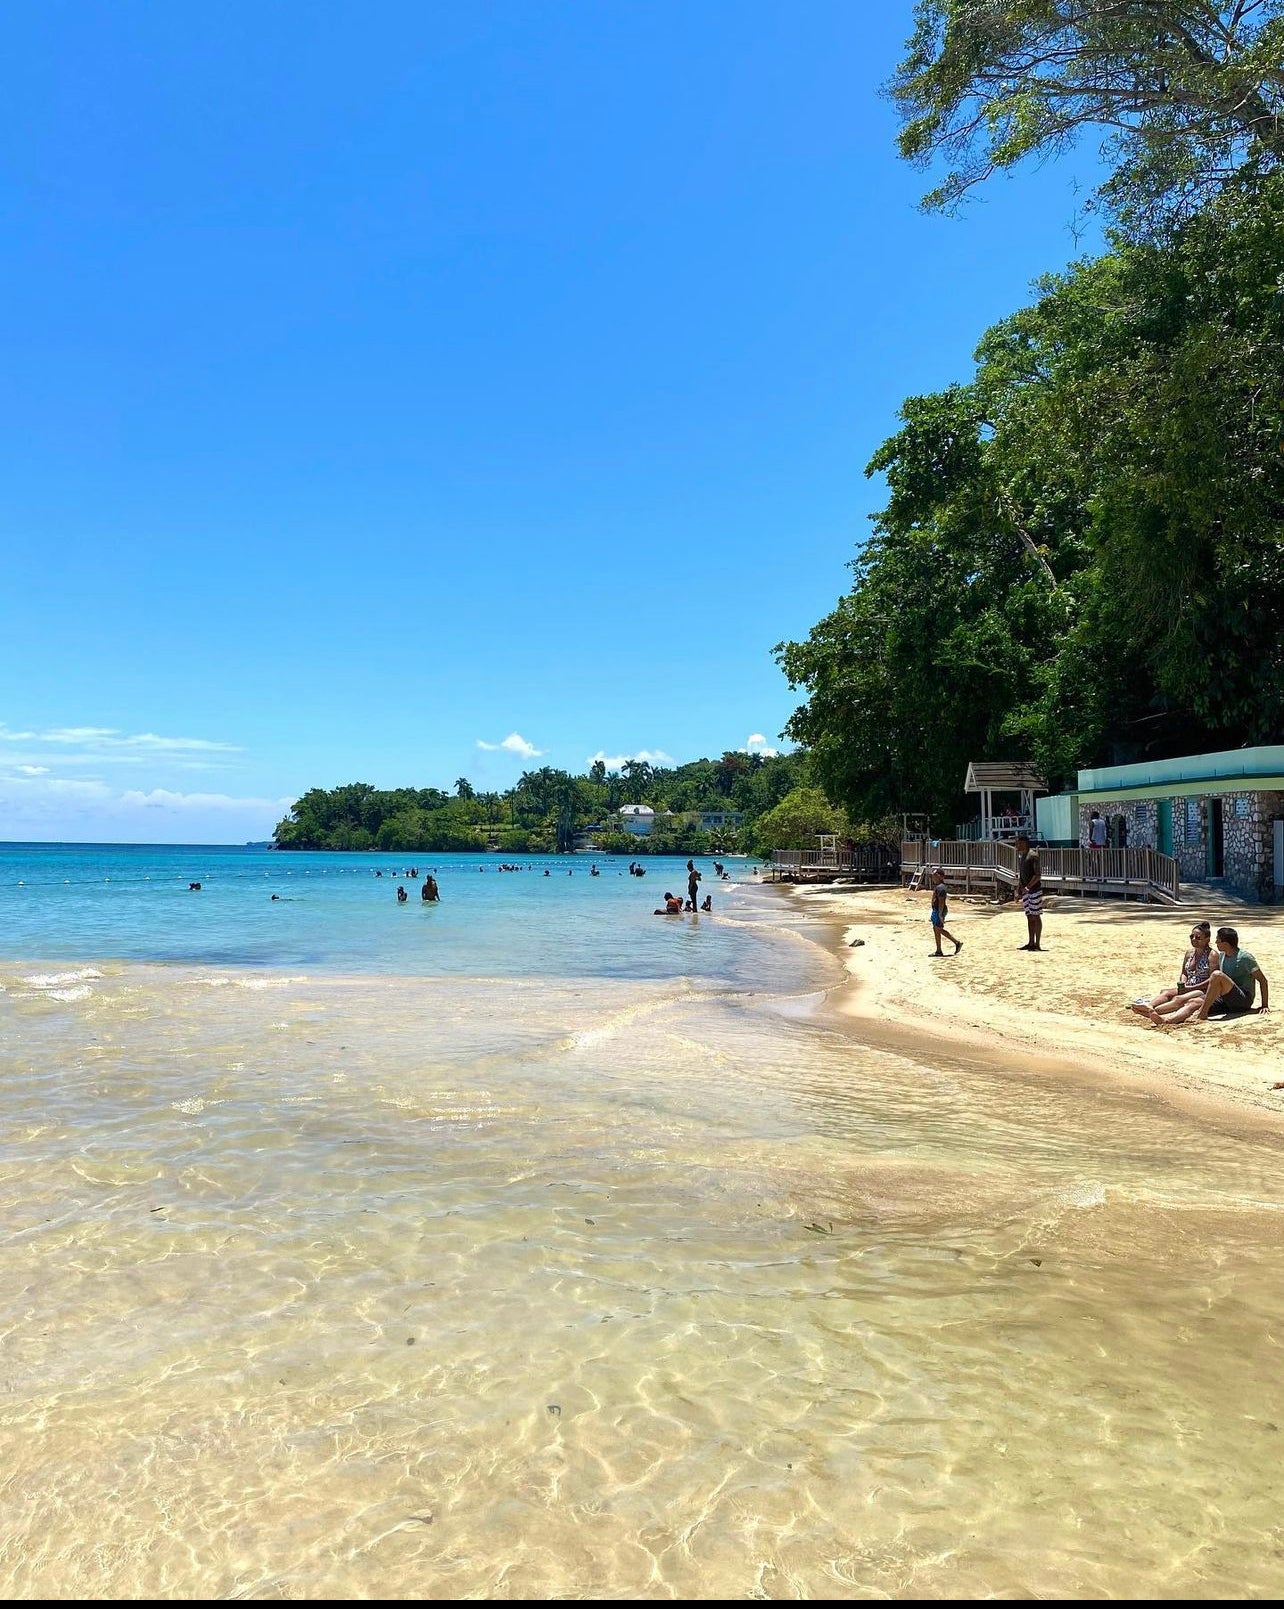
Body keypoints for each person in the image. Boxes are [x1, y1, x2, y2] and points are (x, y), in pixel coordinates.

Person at [1141, 926, 1269, 1026]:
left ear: (1226, 943)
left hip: (1242, 1000)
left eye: (1218, 940)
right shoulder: (1223, 956)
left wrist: (1264, 1005)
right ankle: (1167, 1020)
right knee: (1193, 1002)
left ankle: (1202, 1014)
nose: (1216, 943)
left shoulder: (1245, 958)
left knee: (1217, 974)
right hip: (1225, 998)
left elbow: (1263, 980)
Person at [1129, 921, 1215, 1019]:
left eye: (1198, 938)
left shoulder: (1212, 955)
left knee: (1178, 998)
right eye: (1192, 937)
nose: (1194, 939)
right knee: (1166, 992)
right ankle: (1150, 1006)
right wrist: (1183, 984)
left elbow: (1212, 979)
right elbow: (1184, 972)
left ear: (1207, 939)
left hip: (1201, 989)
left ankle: (1151, 1012)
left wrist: (1192, 987)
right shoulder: (1189, 953)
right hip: (1188, 986)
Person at [1013, 834, 1043, 950]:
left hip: (1034, 890)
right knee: (1029, 916)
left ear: (1024, 843)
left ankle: (1037, 943)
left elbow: (1037, 875)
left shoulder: (1033, 856)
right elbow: (1022, 876)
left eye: (1018, 843)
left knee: (1036, 916)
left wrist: (1028, 887)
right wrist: (1018, 890)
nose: (1017, 845)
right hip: (1026, 892)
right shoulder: (1022, 857)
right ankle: (1031, 942)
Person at [928, 867, 962, 956]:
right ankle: (939, 950)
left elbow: (941, 902)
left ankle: (956, 942)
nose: (933, 878)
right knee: (937, 929)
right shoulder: (938, 887)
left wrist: (940, 914)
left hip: (939, 910)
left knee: (938, 929)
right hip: (937, 910)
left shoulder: (941, 888)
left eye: (934, 876)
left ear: (939, 876)